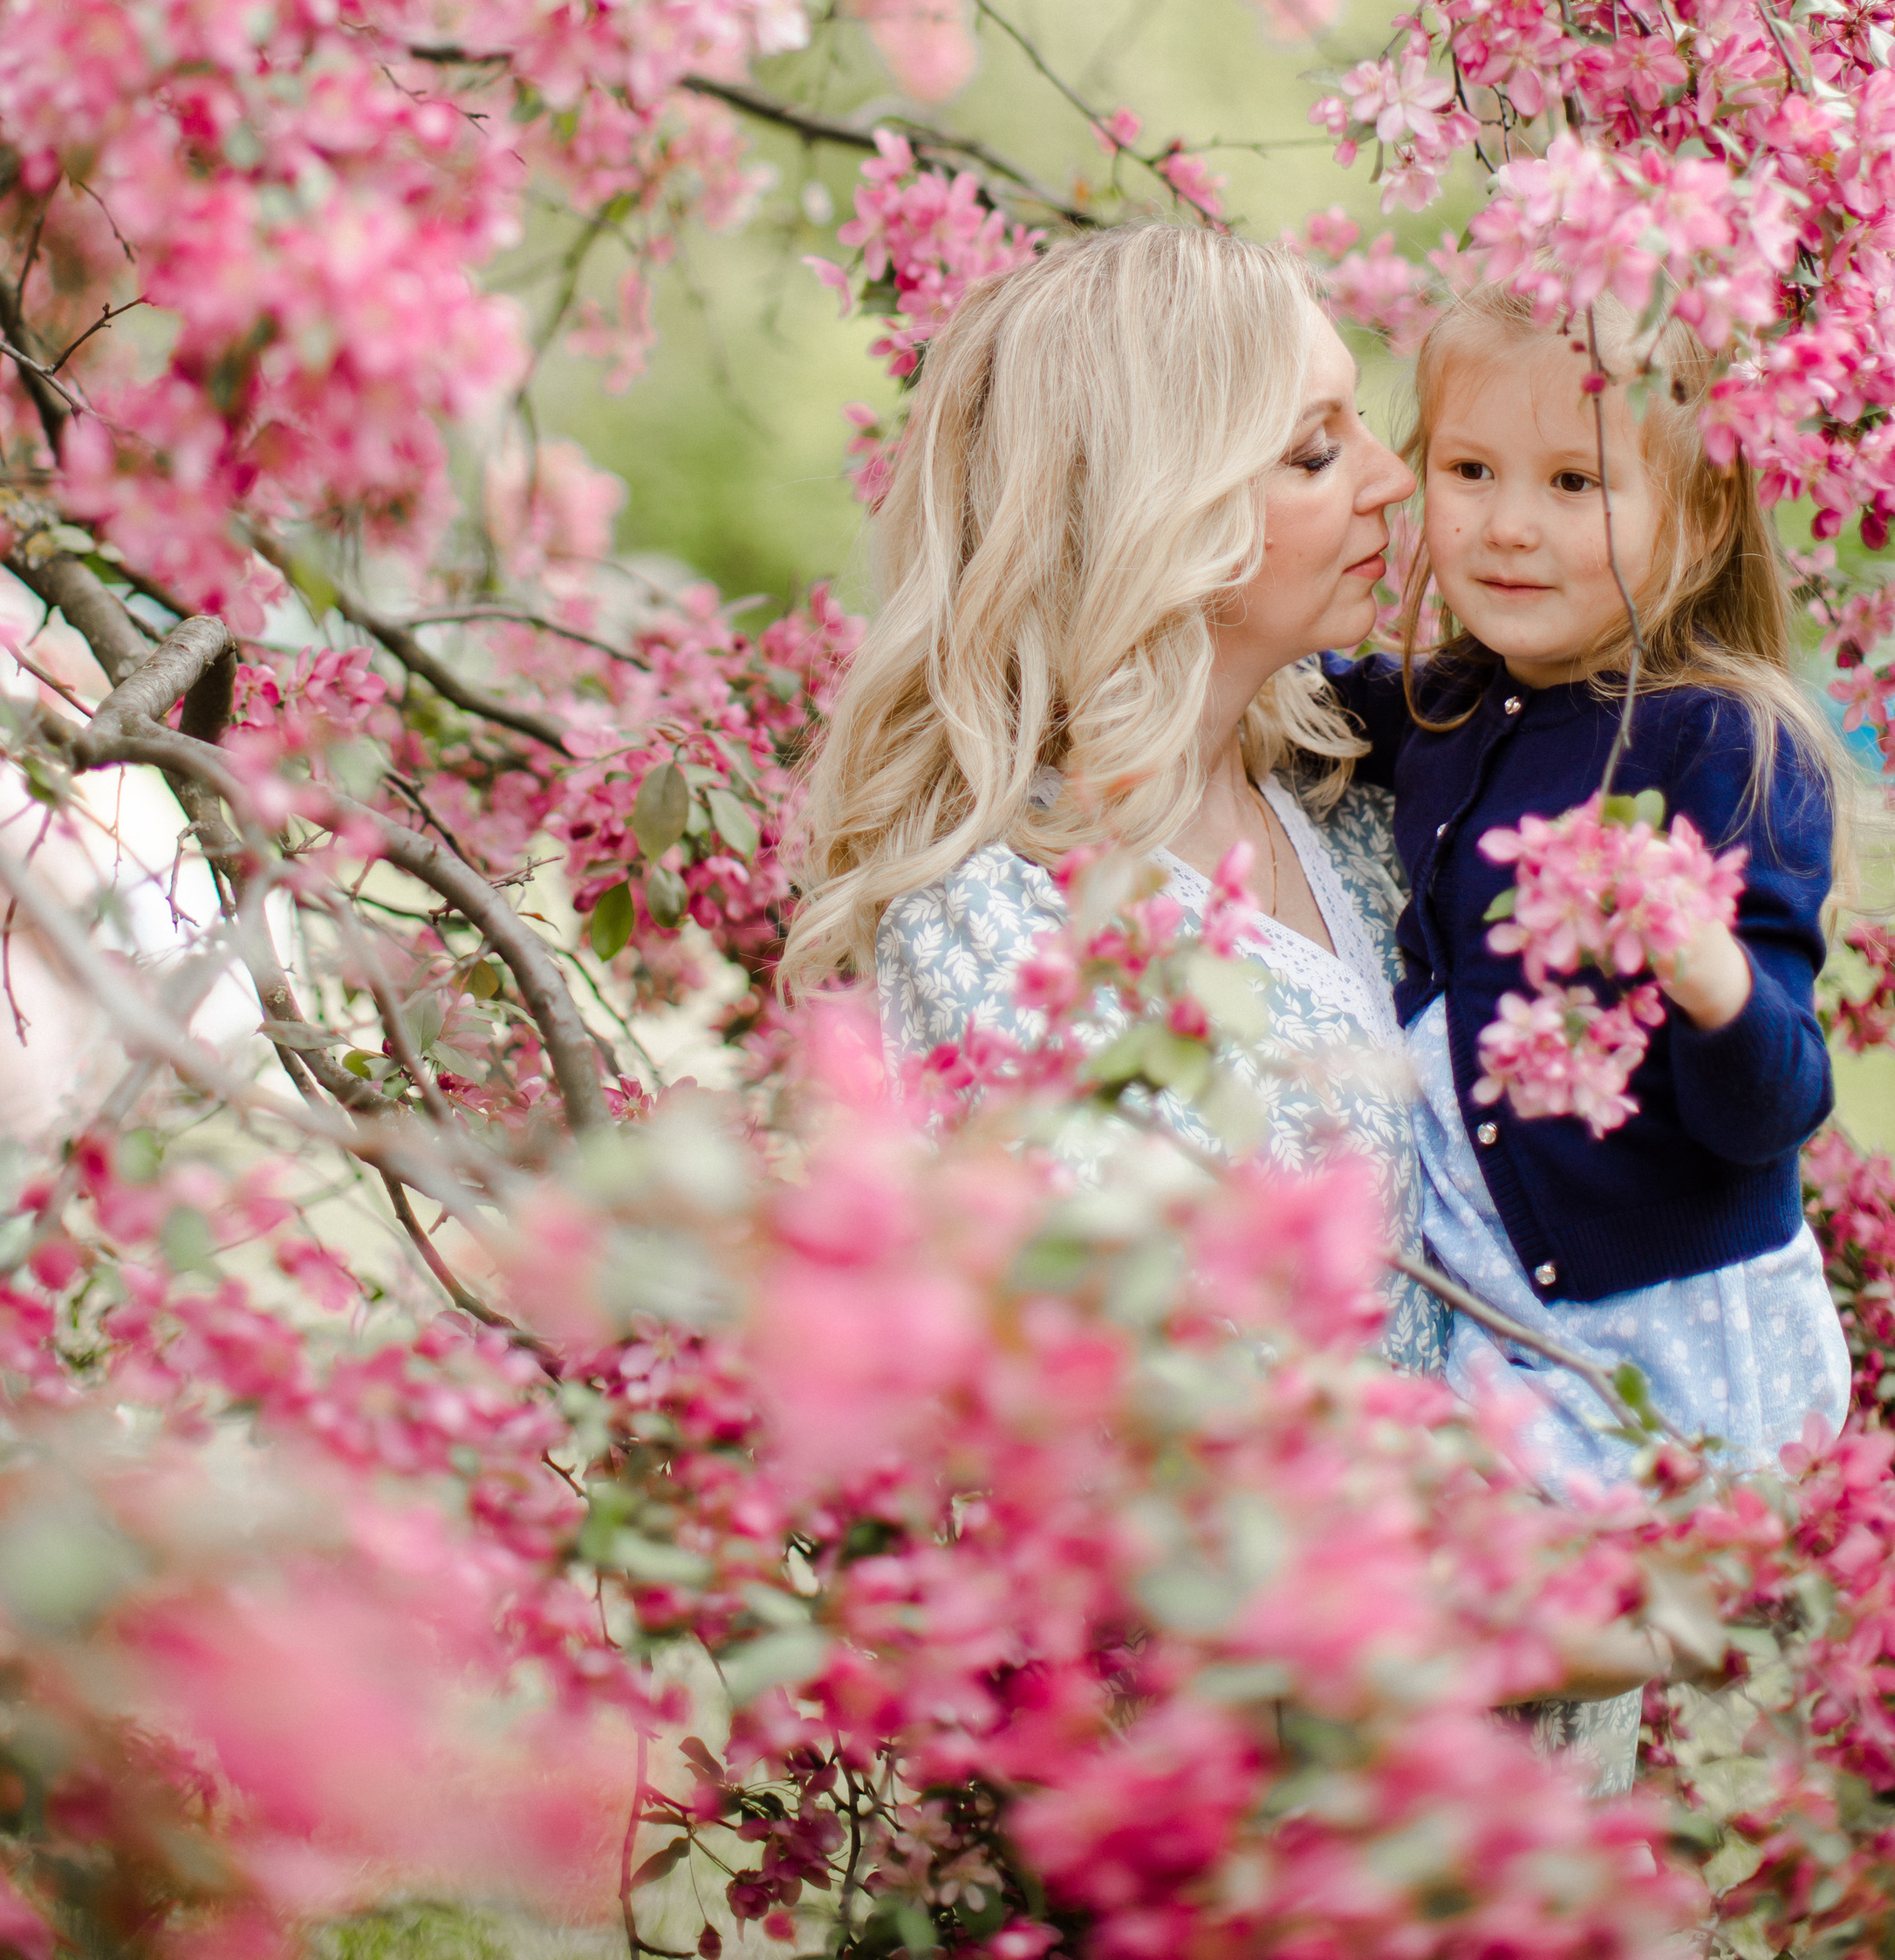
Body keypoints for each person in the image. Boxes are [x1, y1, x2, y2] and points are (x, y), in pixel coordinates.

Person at [782, 221, 1444, 1372]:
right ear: (1155, 514)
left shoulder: (1357, 793)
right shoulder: (996, 928)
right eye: (1313, 453)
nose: (1393, 479)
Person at [1327, 281, 1851, 1493]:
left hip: (1673, 1324)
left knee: (1608, 1575)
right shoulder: (1457, 706)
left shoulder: (1720, 744)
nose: (1509, 526)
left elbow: (1776, 1109)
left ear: (1699, 517)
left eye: (1574, 483)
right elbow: (1313, 693)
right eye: (1470, 470)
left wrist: (1709, 975)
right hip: (1507, 1300)